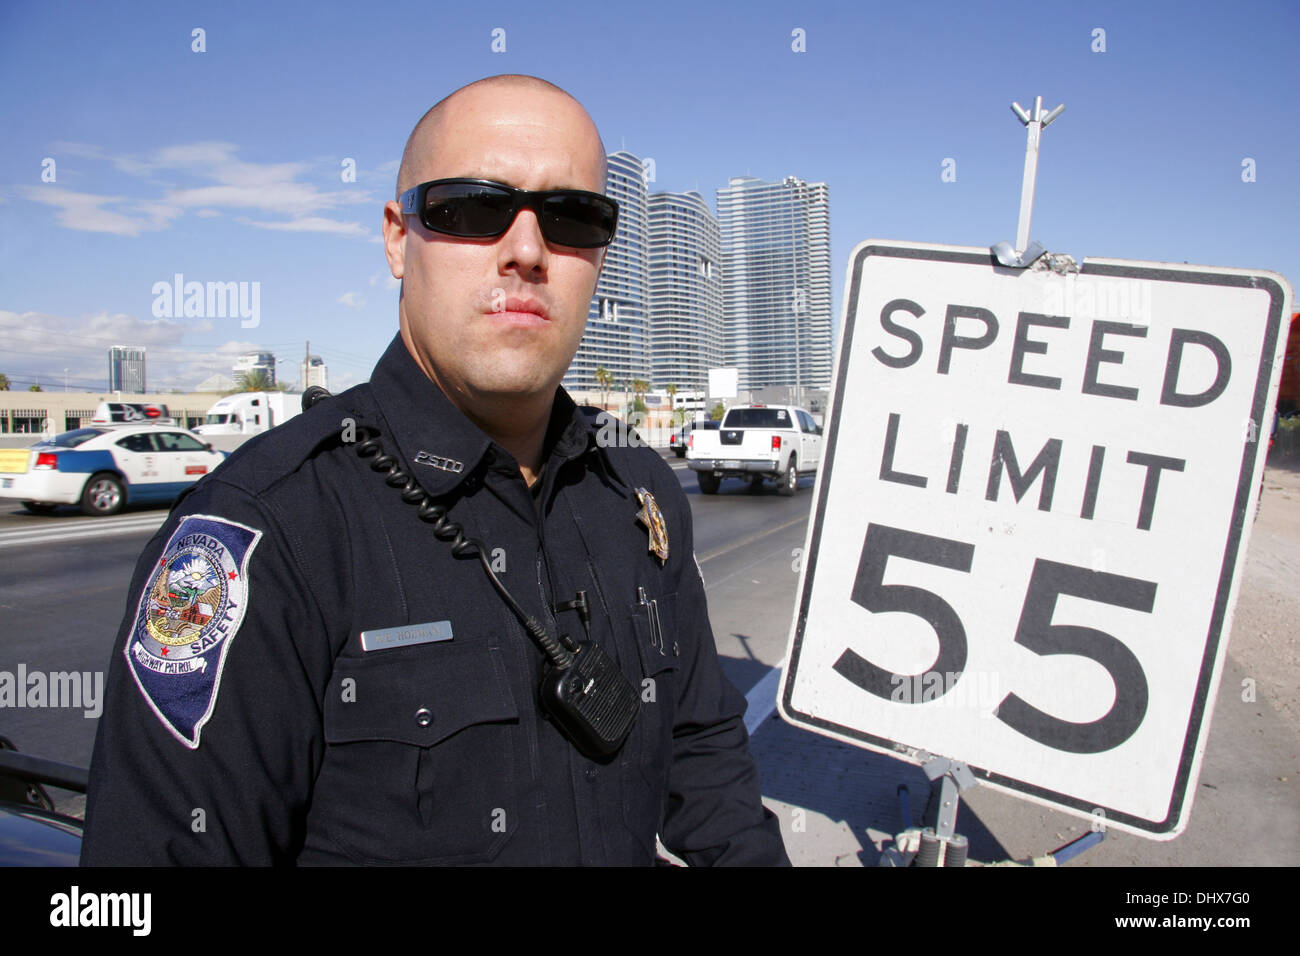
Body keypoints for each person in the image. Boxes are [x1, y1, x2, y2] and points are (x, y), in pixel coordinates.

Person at [80, 74, 789, 866]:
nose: (526, 251)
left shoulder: (640, 490)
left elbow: (705, 757)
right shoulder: (268, 529)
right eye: (471, 209)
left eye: (571, 217)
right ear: (396, 237)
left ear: (602, 252)